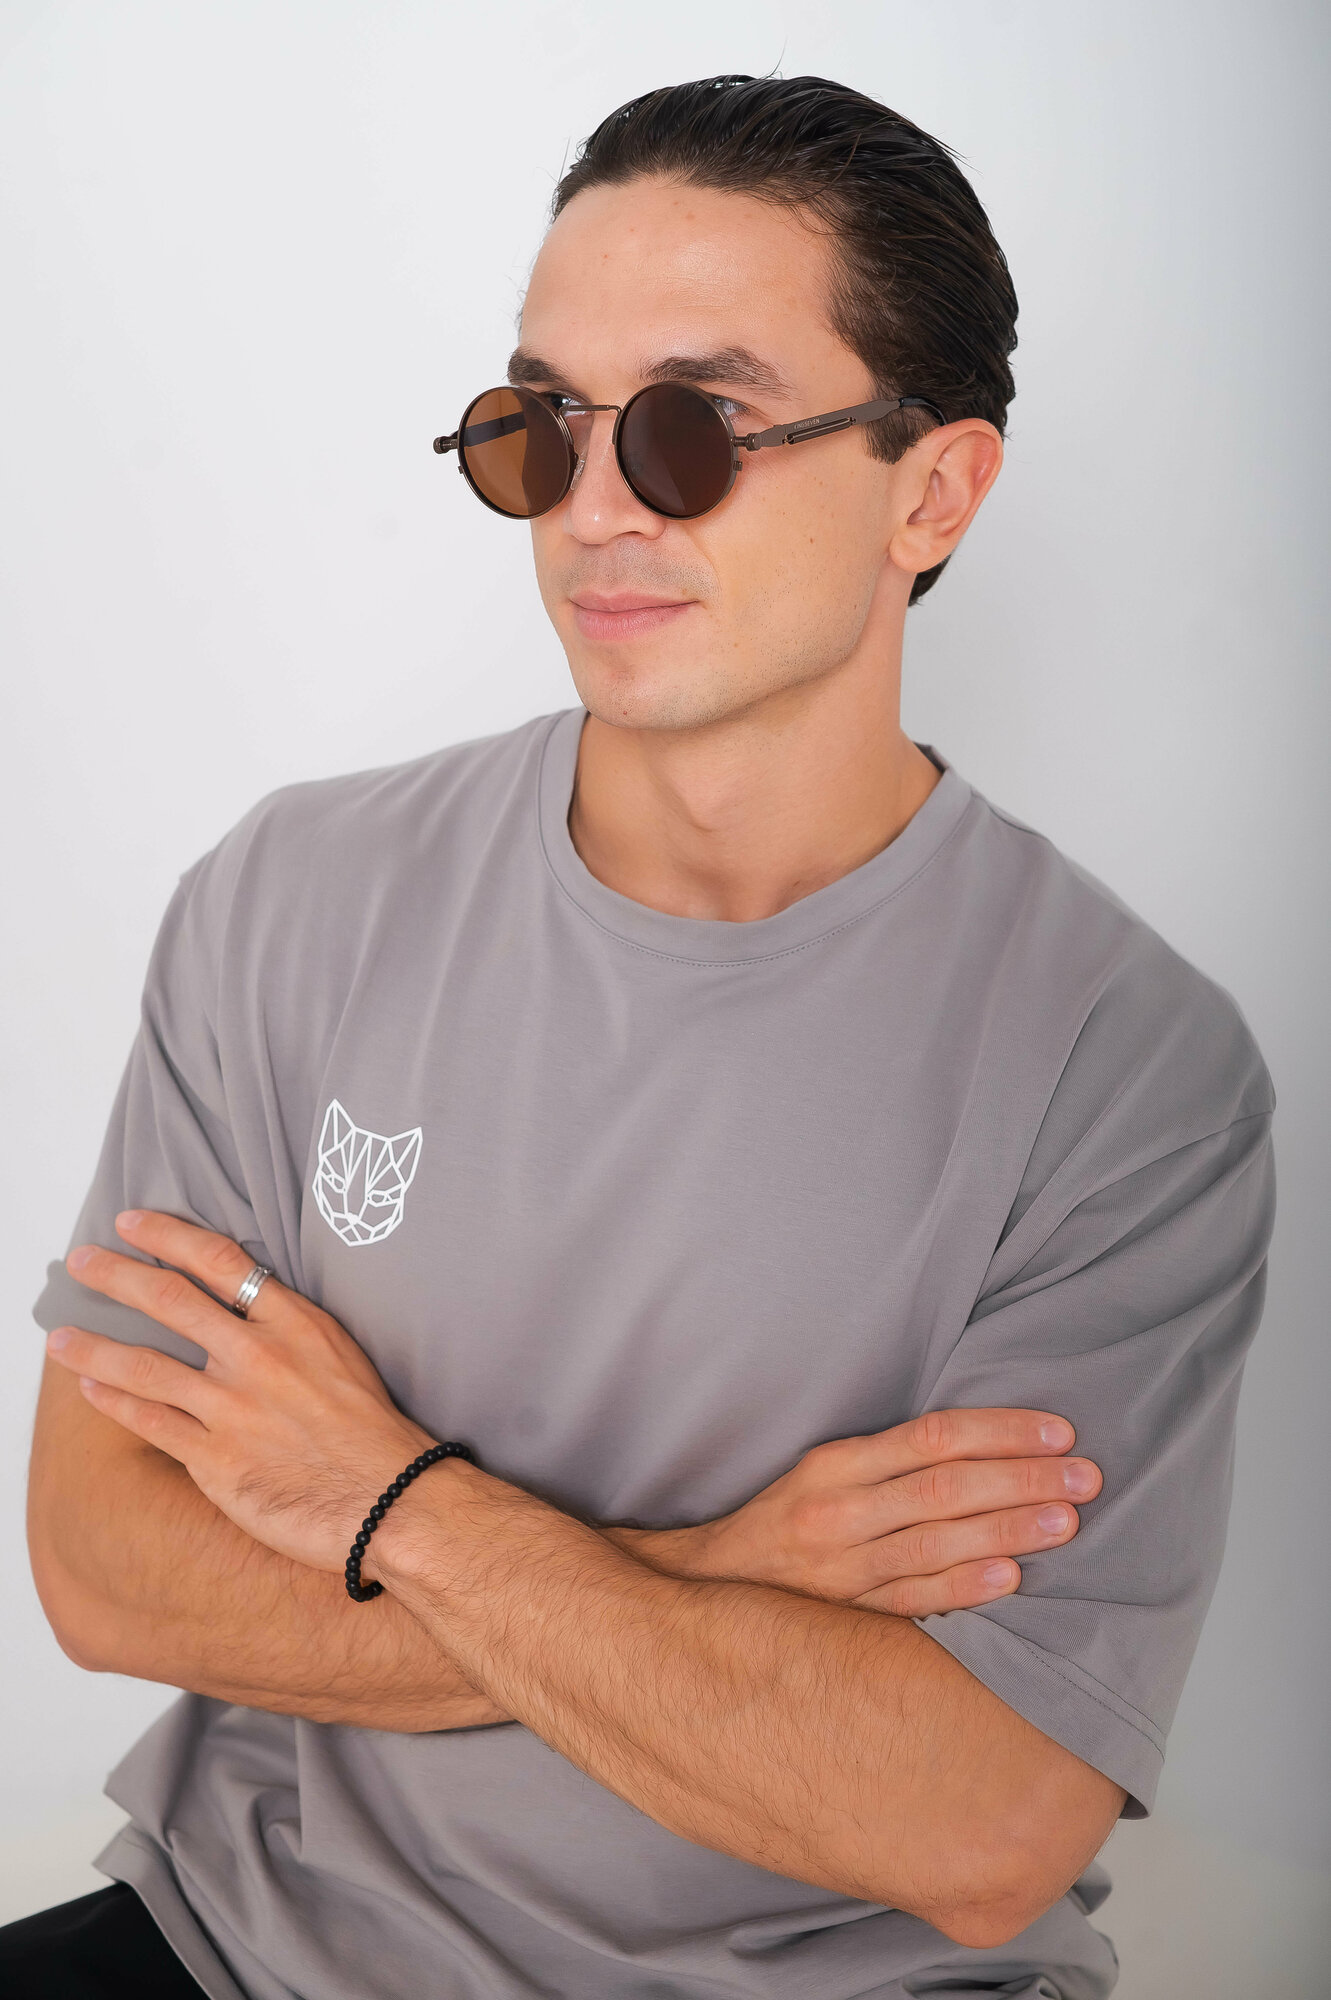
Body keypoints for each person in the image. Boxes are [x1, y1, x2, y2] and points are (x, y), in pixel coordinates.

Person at [14, 73, 1274, 2000]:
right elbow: (105, 1567)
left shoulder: (1124, 1070)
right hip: (248, 1944)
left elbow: (977, 1826)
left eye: (693, 428)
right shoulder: (296, 896)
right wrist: (714, 1564)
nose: (594, 507)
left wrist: (393, 1502)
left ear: (932, 491)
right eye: (540, 426)